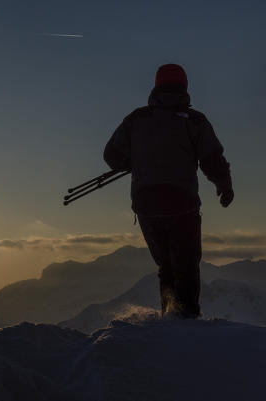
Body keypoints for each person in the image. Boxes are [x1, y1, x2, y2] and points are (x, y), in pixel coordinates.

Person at [103, 64, 233, 319]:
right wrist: (224, 186)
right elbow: (212, 159)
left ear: (156, 86)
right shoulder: (195, 121)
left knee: (166, 266)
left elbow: (112, 155)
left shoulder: (137, 119)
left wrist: (135, 162)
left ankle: (170, 318)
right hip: (181, 202)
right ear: (184, 86)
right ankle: (186, 320)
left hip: (146, 204)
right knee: (186, 265)